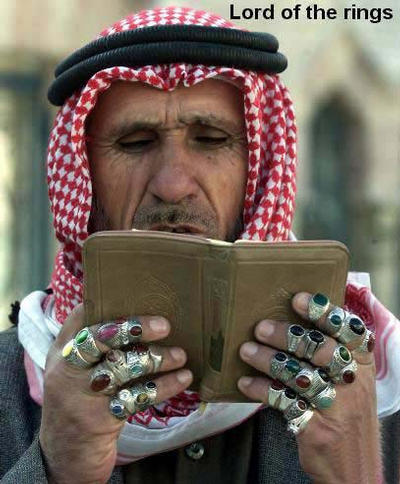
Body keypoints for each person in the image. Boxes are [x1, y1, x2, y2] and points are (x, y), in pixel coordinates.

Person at [1, 6, 400, 484]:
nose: (172, 185)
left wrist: (356, 472)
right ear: (86, 177)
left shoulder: (371, 391)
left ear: (259, 170)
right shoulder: (10, 386)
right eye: (135, 143)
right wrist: (56, 467)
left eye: (210, 139)